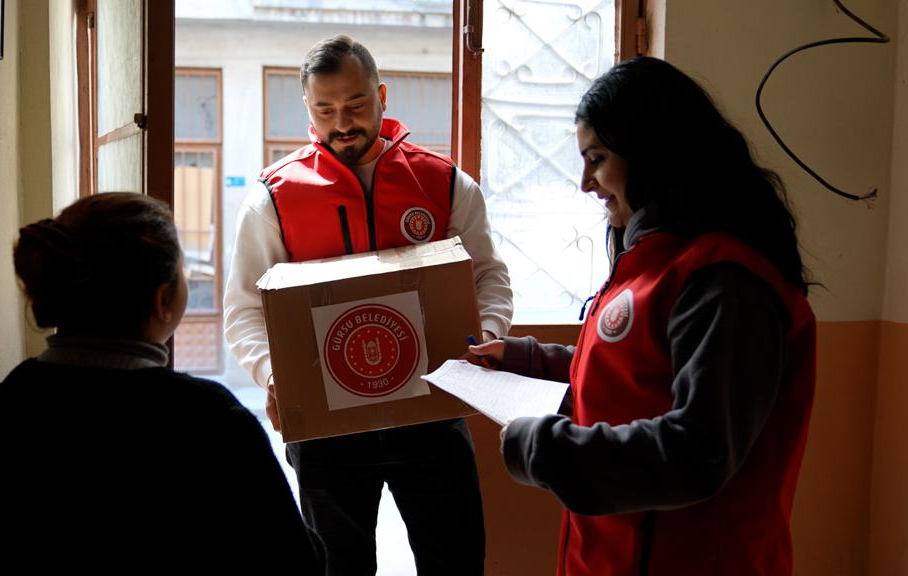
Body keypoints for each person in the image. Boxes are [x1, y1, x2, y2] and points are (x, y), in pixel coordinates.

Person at [467, 57, 816, 575]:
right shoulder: (656, 261)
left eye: (597, 158)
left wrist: (545, 448)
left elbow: (697, 452)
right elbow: (633, 369)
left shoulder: (726, 282)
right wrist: (527, 360)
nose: (585, 183)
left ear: (652, 151)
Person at [223, 35, 512, 575]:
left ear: (382, 95)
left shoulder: (444, 183)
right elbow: (243, 310)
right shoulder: (273, 197)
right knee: (338, 567)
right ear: (307, 108)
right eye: (325, 110)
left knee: (455, 560)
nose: (342, 123)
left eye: (356, 105)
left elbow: (488, 277)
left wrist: (484, 340)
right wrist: (274, 375)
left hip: (431, 409)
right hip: (326, 427)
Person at [0, 193, 323, 574]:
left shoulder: (15, 397)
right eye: (182, 272)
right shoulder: (204, 416)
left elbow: (4, 549)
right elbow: (295, 561)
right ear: (163, 301)